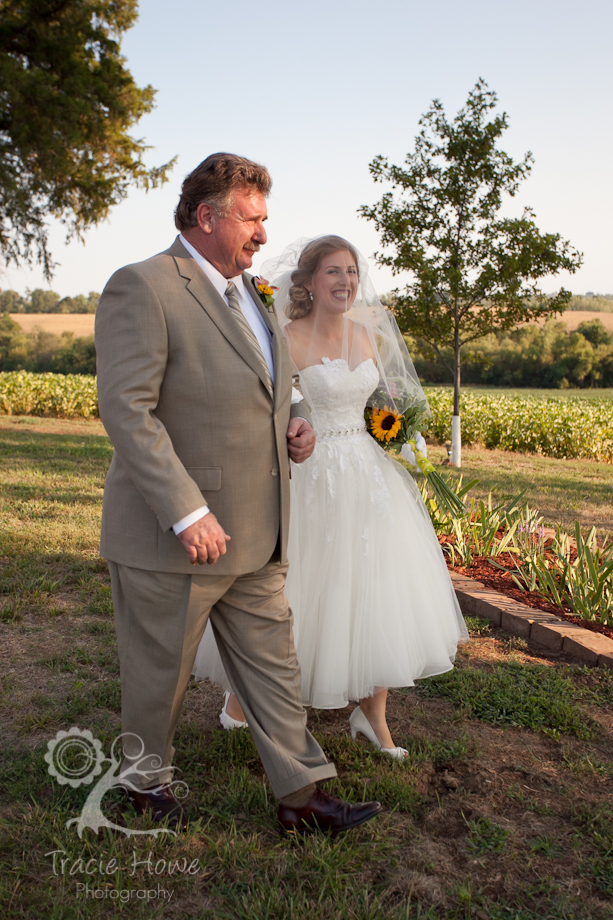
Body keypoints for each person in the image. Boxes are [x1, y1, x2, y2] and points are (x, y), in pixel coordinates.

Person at [95, 158, 381, 836]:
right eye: (250, 217)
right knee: (157, 675)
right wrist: (186, 510)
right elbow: (127, 409)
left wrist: (294, 423)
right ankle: (144, 789)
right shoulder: (144, 286)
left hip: (259, 531)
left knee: (274, 668)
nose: (262, 231)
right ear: (207, 217)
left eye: (262, 218)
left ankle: (302, 796)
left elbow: (265, 389)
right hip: (176, 532)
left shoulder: (250, 292)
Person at [194, 235, 469, 757]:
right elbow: (267, 409)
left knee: (376, 587)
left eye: (351, 271)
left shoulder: (369, 337)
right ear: (309, 282)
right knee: (296, 588)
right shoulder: (283, 335)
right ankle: (244, 698)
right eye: (333, 272)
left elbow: (387, 404)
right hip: (307, 474)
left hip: (368, 477)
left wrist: (401, 435)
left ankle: (373, 718)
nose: (345, 281)